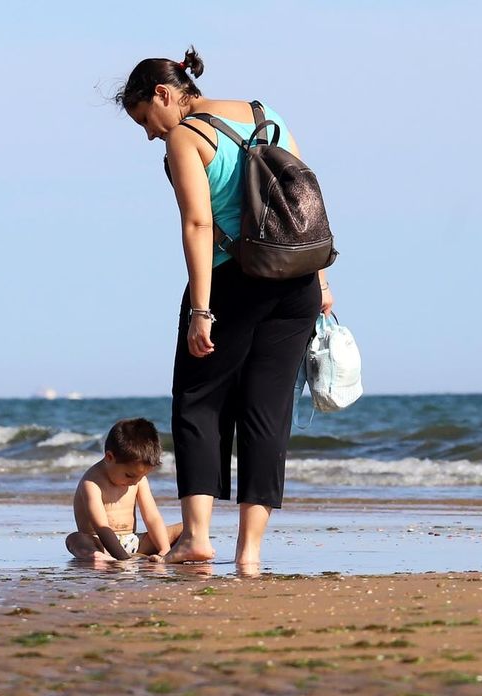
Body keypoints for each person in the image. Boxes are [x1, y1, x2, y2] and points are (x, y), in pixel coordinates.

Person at [114, 48, 333, 572]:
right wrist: (322, 280)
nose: (150, 134)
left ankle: (196, 538)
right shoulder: (268, 114)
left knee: (198, 401)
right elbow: (307, 202)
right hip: (297, 279)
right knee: (267, 412)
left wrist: (201, 311)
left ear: (165, 94)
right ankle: (250, 554)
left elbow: (198, 224)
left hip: (233, 280)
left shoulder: (187, 137)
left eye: (146, 119)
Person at [65, 417, 183, 561]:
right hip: (99, 543)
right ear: (109, 457)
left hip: (134, 542)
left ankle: (179, 549)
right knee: (75, 540)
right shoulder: (91, 483)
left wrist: (164, 550)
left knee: (187, 528)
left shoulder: (138, 480)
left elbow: (152, 518)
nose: (135, 482)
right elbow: (101, 527)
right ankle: (97, 557)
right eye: (129, 475)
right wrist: (123, 559)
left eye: (142, 476)